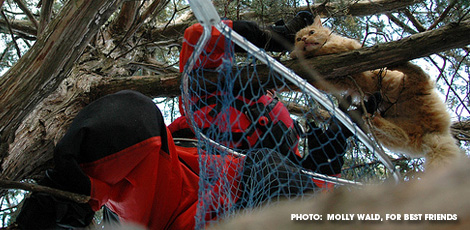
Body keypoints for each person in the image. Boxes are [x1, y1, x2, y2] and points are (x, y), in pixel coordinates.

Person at [15, 11, 350, 229]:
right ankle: (53, 216)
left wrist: (333, 146)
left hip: (261, 197)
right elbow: (198, 40)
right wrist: (272, 37)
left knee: (279, 172)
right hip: (175, 188)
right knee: (128, 117)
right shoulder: (215, 95)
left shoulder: (285, 135)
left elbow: (316, 190)